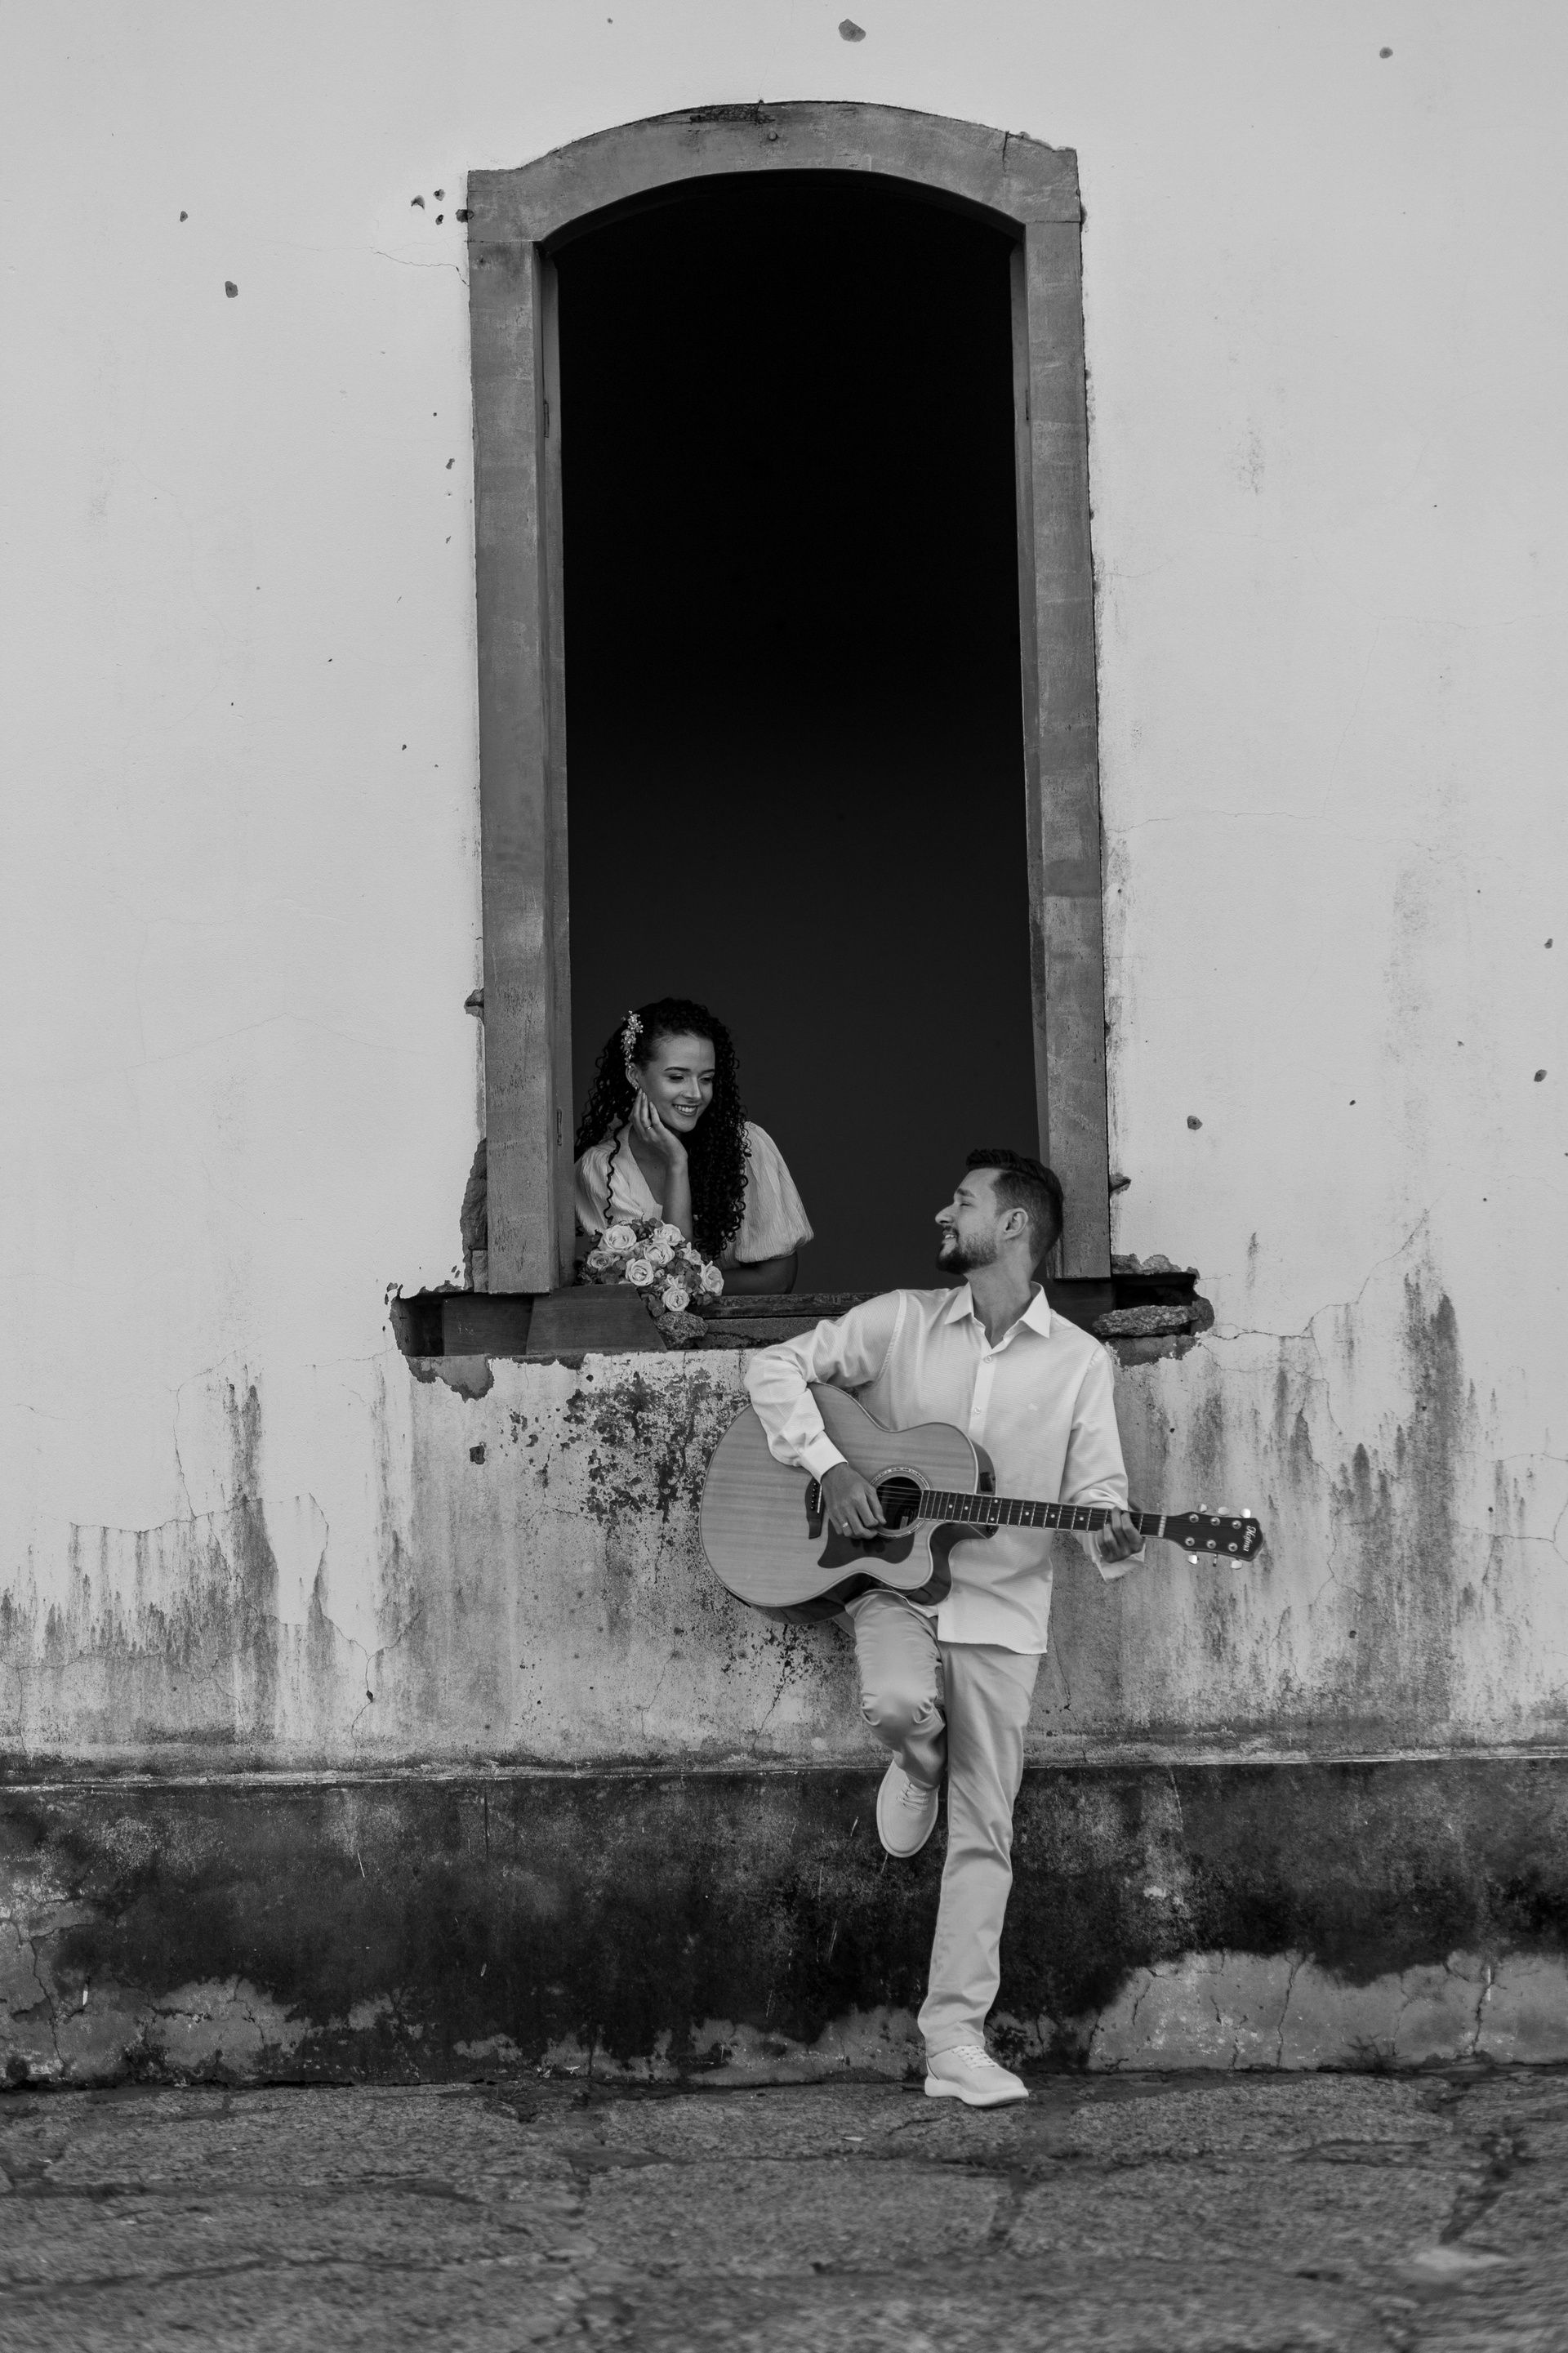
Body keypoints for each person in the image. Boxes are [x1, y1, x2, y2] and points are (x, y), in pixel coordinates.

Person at [743, 1148, 1144, 2107]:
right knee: (895, 1704)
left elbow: (1099, 1492)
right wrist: (834, 1467)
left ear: (1012, 1225)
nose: (942, 1212)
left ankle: (954, 2042)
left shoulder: (1081, 1363)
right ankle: (918, 1760)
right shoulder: (900, 1322)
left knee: (984, 1832)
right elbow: (774, 1366)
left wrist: (1117, 1532)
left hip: (1005, 1612)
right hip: (896, 1590)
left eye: (961, 1201)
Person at [574, 998, 812, 1296]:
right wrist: (677, 1163)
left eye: (706, 1079)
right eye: (677, 1077)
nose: (695, 1094)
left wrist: (690, 1285)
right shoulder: (602, 1169)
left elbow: (778, 1280)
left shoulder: (747, 1147)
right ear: (635, 1076)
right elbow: (669, 1282)